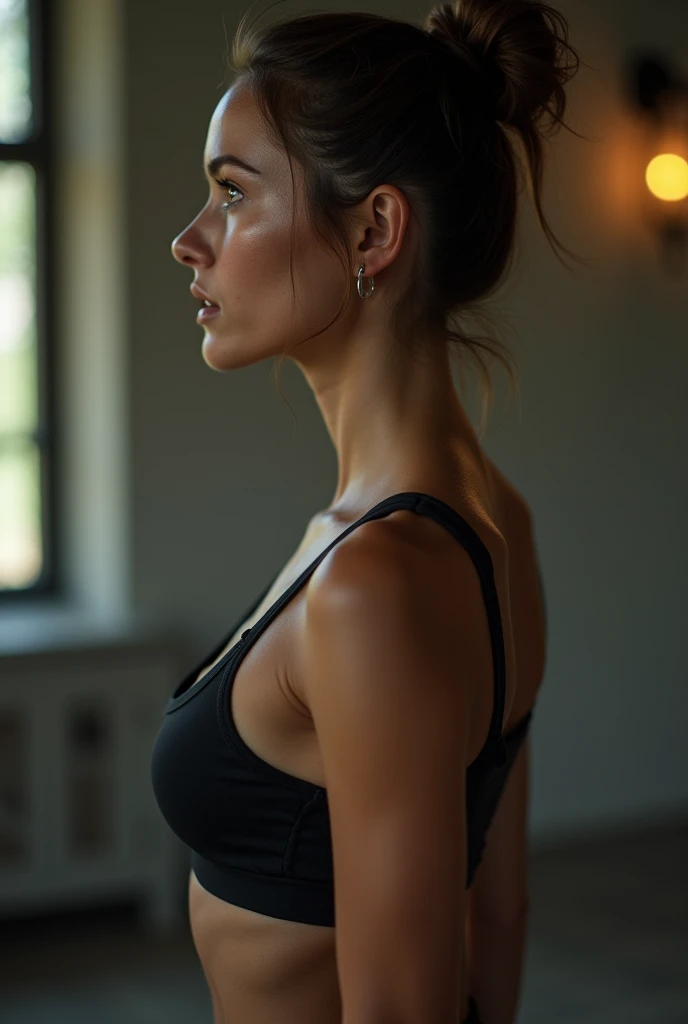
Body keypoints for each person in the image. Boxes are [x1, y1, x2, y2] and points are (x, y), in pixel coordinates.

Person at [155, 1, 580, 1021]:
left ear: (375, 229)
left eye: (231, 193)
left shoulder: (374, 585)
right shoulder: (490, 518)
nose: (187, 240)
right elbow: (501, 910)